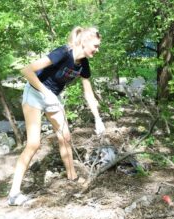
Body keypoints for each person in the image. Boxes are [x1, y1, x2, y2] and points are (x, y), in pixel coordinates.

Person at [7, 26, 105, 206]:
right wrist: (45, 92)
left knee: (65, 137)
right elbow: (27, 70)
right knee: (34, 144)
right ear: (84, 42)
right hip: (35, 93)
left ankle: (72, 178)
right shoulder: (63, 52)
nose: (97, 50)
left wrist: (98, 118)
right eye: (96, 46)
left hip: (52, 97)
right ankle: (14, 193)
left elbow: (88, 93)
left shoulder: (83, 64)